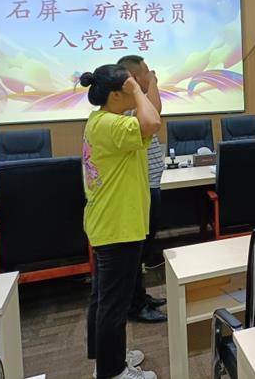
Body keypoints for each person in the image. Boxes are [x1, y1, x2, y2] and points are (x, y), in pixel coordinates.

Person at [81, 64, 160, 379]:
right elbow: (152, 121)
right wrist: (139, 89)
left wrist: (144, 87)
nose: (134, 91)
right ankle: (113, 372)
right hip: (118, 226)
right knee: (113, 303)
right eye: (128, 87)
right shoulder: (113, 125)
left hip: (110, 222)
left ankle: (106, 358)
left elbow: (151, 118)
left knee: (103, 298)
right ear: (115, 95)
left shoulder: (102, 121)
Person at [117, 55, 167, 324]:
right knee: (137, 251)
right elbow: (155, 115)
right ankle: (135, 305)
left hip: (150, 184)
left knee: (144, 248)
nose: (152, 74)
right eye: (148, 71)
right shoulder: (127, 107)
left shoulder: (135, 104)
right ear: (135, 77)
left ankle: (140, 296)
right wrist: (154, 83)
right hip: (141, 188)